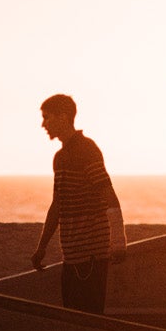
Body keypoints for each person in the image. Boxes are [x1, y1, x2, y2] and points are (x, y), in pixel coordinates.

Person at [31, 95, 127, 314]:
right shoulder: (60, 157)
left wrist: (119, 241)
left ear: (63, 117)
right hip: (72, 255)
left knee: (89, 319)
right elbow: (58, 205)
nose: (43, 124)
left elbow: (109, 195)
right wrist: (42, 247)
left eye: (47, 118)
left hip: (93, 255)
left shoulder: (87, 150)